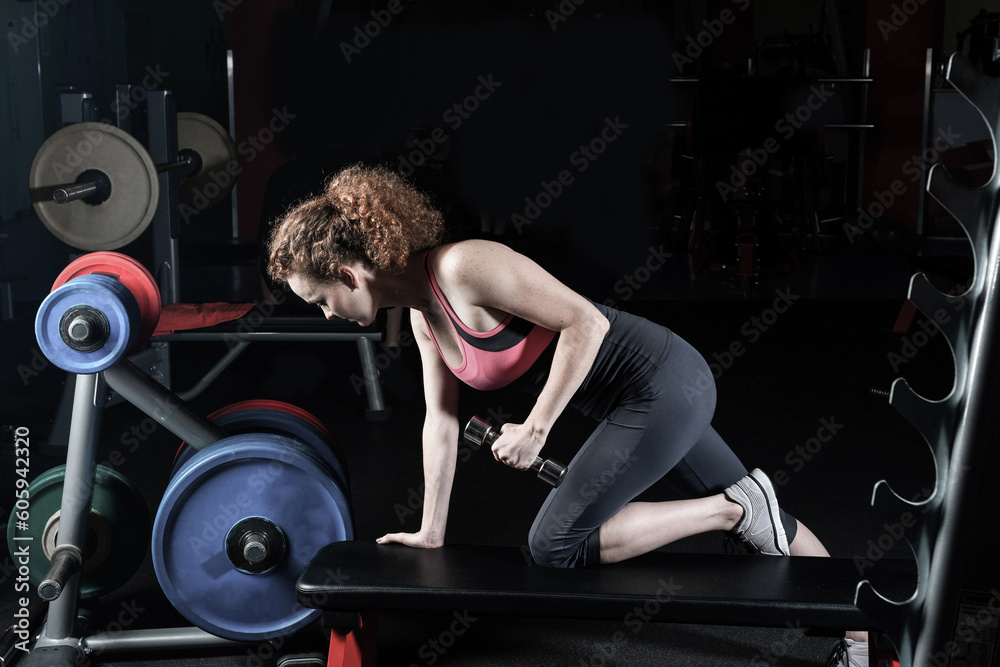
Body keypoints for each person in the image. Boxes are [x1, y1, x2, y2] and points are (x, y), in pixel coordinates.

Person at [265, 163, 870, 666]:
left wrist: (535, 428)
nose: (325, 316)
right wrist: (431, 531)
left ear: (346, 274)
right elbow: (441, 423)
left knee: (555, 545)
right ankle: (862, 637)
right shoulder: (424, 317)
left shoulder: (462, 266)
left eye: (321, 301)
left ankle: (728, 510)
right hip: (631, 402)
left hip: (663, 382)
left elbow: (588, 321)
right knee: (767, 519)